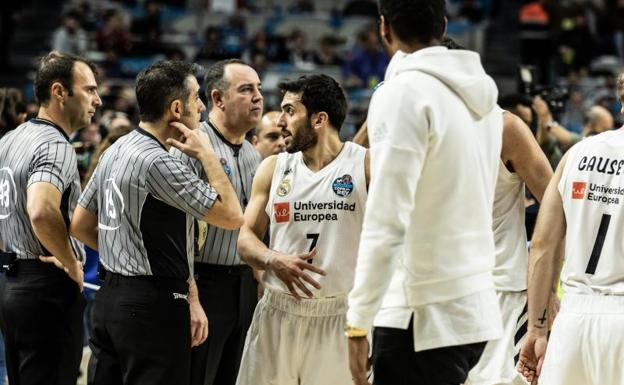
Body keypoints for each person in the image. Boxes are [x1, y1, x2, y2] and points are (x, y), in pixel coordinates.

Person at [346, 1, 504, 384]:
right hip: (475, 307)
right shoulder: (485, 100)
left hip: (419, 315)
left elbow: (388, 218)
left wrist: (358, 321)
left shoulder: (403, 93)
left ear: (384, 28)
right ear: (444, 24)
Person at [70, 60, 243, 385]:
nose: (202, 107)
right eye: (196, 99)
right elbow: (233, 216)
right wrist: (207, 154)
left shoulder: (115, 149)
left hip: (109, 300)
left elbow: (80, 223)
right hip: (151, 307)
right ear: (176, 108)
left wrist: (121, 251)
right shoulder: (159, 161)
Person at [235, 74, 369, 385]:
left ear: (319, 119)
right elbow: (244, 241)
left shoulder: (367, 166)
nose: (281, 121)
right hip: (277, 312)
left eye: (290, 111)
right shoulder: (272, 168)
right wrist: (272, 259)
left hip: (340, 314)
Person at [0, 51, 101, 385]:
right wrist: (71, 262)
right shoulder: (55, 144)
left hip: (13, 281)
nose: (97, 100)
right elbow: (42, 210)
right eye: (89, 90)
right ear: (60, 92)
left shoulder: (11, 139)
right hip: (46, 286)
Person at [517, 74, 624, 385]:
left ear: (620, 102)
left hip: (573, 323)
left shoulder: (577, 154)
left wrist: (537, 330)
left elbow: (543, 245)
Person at [172, 59, 263, 385]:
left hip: (244, 286)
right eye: (246, 89)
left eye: (259, 89)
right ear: (218, 98)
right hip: (203, 282)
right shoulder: (192, 145)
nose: (258, 97)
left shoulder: (254, 155)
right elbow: (176, 227)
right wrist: (191, 293)